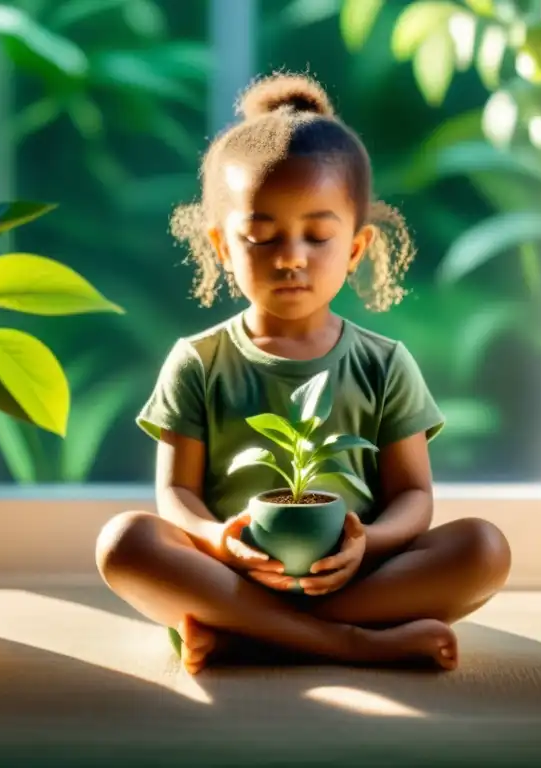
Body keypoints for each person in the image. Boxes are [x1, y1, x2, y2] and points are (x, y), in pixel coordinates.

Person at [95, 72, 511, 675]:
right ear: (221, 247)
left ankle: (255, 638)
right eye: (262, 236)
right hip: (231, 577)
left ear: (356, 248)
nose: (291, 256)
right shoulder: (199, 360)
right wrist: (218, 542)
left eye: (317, 236)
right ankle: (348, 643)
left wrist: (369, 544)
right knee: (124, 542)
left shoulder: (384, 363)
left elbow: (413, 496)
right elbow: (176, 494)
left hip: (351, 579)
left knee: (483, 548)